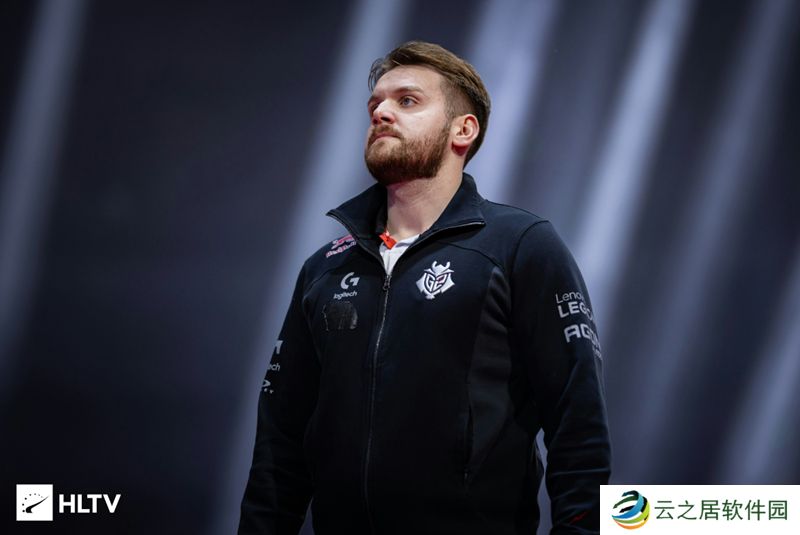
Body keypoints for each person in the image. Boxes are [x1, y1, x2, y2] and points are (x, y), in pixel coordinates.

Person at [239, 41, 611, 535]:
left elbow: (578, 425)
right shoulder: (324, 269)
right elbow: (279, 445)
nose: (381, 113)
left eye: (407, 101)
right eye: (375, 105)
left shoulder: (522, 245)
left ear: (463, 130)